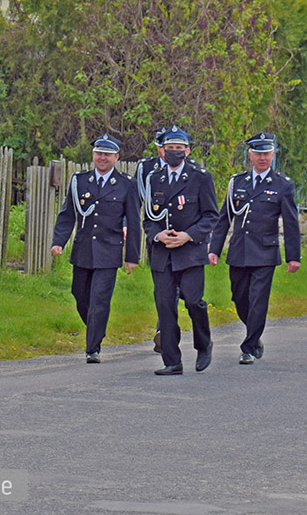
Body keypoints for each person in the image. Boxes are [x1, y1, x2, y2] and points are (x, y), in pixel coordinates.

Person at [208, 132, 301, 364]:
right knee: (239, 298)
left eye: (267, 153)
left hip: (265, 252)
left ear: (273, 155)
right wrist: (214, 249)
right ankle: (254, 331)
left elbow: (290, 223)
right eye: (258, 153)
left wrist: (293, 256)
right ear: (249, 154)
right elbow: (224, 218)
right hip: (239, 251)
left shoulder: (282, 185)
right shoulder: (237, 182)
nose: (262, 158)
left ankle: (248, 347)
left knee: (258, 299)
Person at [51, 133, 141, 363]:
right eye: (99, 153)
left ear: (116, 157)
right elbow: (67, 214)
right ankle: (96, 327)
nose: (102, 158)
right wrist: (58, 242)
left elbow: (133, 222)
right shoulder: (79, 181)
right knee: (80, 295)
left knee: (99, 299)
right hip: (83, 250)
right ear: (93, 155)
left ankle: (93, 348)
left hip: (109, 252)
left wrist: (131, 256)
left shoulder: (126, 184)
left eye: (107, 154)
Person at [143, 126, 219, 375]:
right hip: (163, 253)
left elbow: (211, 216)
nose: (174, 152)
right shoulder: (154, 178)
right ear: (162, 151)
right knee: (165, 306)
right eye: (170, 148)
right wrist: (157, 234)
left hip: (190, 252)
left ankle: (203, 343)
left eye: (179, 148)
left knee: (194, 301)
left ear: (187, 150)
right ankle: (172, 361)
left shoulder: (200, 177)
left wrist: (188, 235)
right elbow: (148, 217)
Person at [135, 126, 170, 353]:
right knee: (161, 284)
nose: (166, 151)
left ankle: (164, 329)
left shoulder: (192, 170)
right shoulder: (146, 168)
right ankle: (164, 327)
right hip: (156, 233)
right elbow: (141, 199)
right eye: (163, 146)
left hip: (183, 238)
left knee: (179, 288)